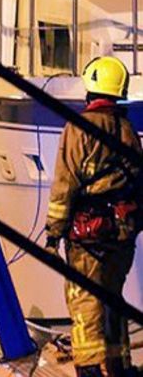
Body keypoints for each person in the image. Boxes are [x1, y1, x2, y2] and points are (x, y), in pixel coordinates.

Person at [45, 56, 142, 377]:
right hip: (122, 235)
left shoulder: (78, 129)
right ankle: (119, 367)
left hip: (88, 237)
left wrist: (53, 235)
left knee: (84, 301)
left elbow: (65, 186)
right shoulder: (128, 131)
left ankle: (89, 370)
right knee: (112, 300)